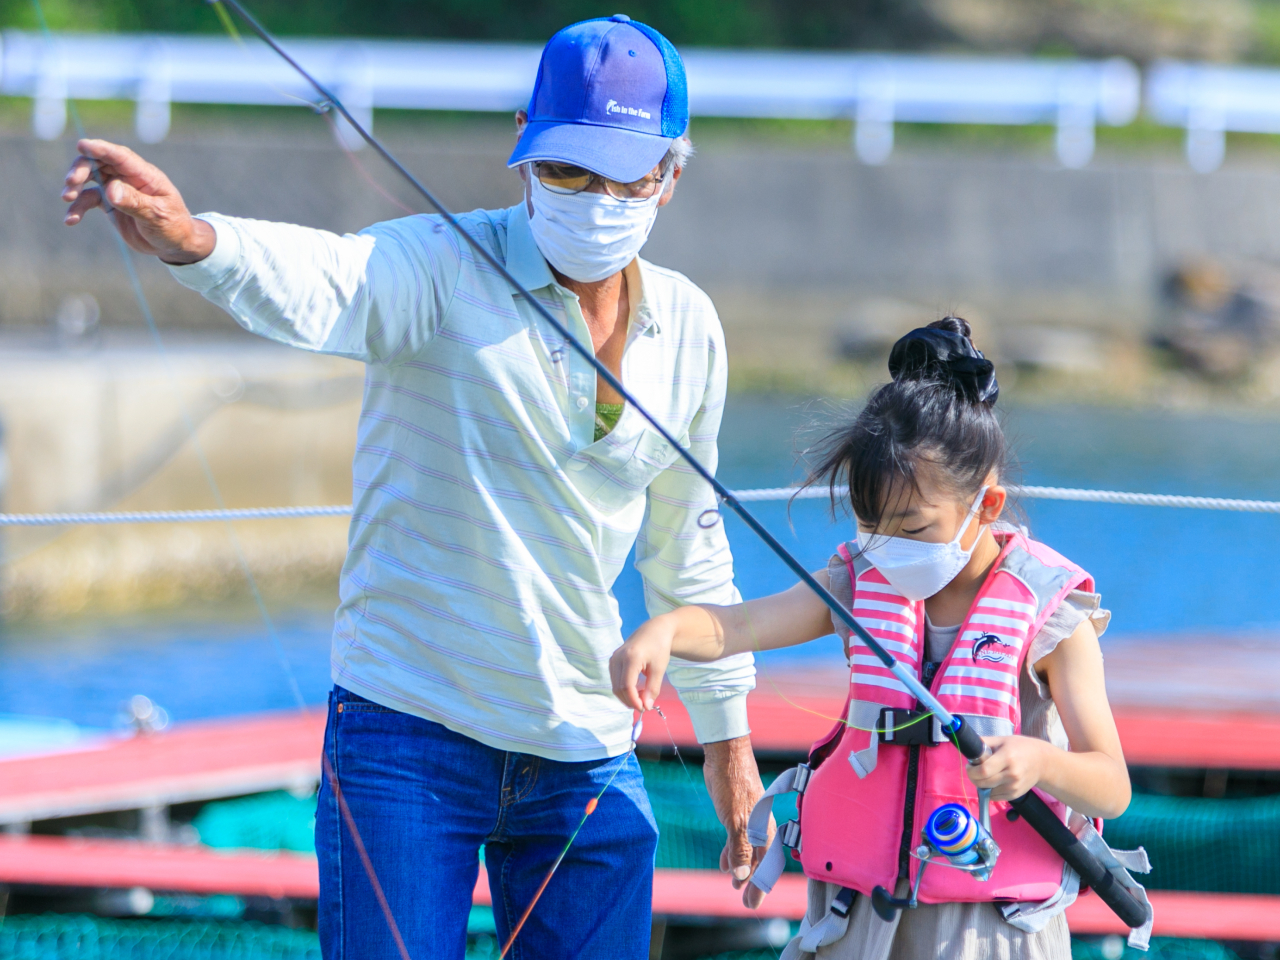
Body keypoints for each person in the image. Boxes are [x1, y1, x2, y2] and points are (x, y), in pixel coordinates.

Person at [62, 15, 771, 960]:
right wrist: (195, 239)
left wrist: (730, 747)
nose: (594, 198)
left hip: (586, 745)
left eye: (624, 176)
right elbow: (330, 281)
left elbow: (689, 546)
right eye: (567, 171)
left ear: (671, 176)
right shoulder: (442, 266)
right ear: (523, 148)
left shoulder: (692, 326)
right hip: (407, 734)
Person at [612, 318, 1150, 959]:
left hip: (992, 932)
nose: (887, 547)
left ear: (986, 504)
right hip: (859, 919)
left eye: (913, 526)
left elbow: (1110, 786)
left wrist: (1040, 764)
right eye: (871, 525)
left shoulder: (1053, 617)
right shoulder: (860, 579)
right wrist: (666, 630)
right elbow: (743, 625)